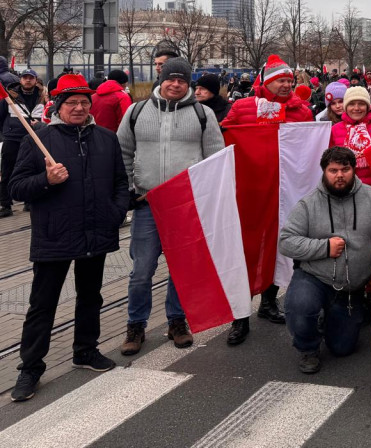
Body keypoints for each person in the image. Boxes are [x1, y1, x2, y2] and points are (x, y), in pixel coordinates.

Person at [8, 73, 129, 402]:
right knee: (42, 304)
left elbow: (120, 182)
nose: (78, 108)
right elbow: (16, 188)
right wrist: (46, 180)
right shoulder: (38, 139)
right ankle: (30, 367)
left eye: (84, 102)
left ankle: (85, 351)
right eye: (71, 103)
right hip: (54, 234)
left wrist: (115, 212)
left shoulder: (106, 138)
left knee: (91, 297)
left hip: (96, 231)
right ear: (58, 107)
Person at [117, 57, 224, 356]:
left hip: (185, 205)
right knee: (142, 270)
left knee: (181, 269)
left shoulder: (203, 114)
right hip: (147, 203)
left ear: (189, 83)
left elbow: (214, 158)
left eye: (182, 80)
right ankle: (135, 325)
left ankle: (177, 321)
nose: (175, 84)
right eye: (170, 78)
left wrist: (207, 198)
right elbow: (122, 151)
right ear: (161, 78)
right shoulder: (136, 111)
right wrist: (126, 187)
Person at [221, 53, 313, 344]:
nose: (286, 85)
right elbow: (225, 137)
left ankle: (268, 303)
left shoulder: (301, 110)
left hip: (285, 193)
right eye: (280, 81)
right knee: (245, 252)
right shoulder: (243, 107)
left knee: (280, 249)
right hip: (248, 194)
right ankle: (239, 317)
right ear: (268, 82)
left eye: (289, 80)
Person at [279, 147, 371, 374]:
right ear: (324, 172)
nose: (339, 175)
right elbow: (286, 242)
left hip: (352, 289)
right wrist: (324, 247)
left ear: (354, 170)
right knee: (300, 308)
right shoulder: (308, 204)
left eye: (345, 169)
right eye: (333, 170)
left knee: (342, 348)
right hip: (314, 278)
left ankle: (336, 317)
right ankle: (308, 348)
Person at [0, 69, 45, 217]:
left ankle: (29, 201)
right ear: (20, 80)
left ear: (35, 80)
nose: (27, 80)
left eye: (30, 78)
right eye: (25, 77)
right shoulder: (9, 97)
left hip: (35, 138)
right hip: (13, 138)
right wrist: (7, 131)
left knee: (32, 170)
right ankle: (5, 204)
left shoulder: (42, 96)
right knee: (7, 171)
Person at [330, 86, 371, 195]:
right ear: (346, 107)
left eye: (361, 104)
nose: (356, 108)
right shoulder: (334, 130)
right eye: (352, 104)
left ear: (368, 106)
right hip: (345, 190)